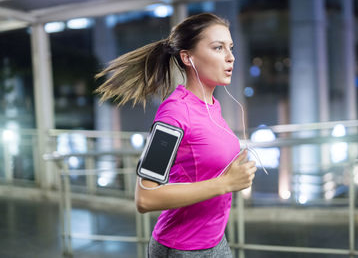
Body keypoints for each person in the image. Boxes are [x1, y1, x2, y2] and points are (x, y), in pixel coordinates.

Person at [95, 13, 257, 258]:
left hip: (216, 241)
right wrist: (225, 183)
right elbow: (145, 197)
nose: (230, 57)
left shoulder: (212, 105)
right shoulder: (174, 112)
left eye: (230, 48)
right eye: (218, 48)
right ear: (187, 57)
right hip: (182, 248)